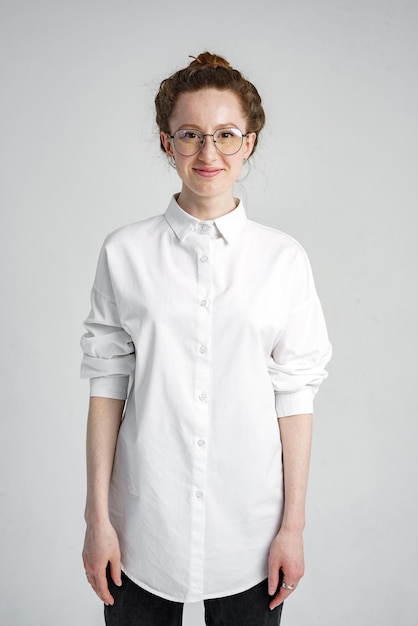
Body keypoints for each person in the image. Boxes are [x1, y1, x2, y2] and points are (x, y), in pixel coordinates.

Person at [81, 51, 331, 626]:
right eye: (191, 134)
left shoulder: (283, 260)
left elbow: (294, 398)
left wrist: (293, 527)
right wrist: (98, 519)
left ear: (250, 142)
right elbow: (106, 387)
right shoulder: (124, 253)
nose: (208, 153)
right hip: (143, 526)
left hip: (250, 529)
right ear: (168, 143)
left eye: (225, 134)